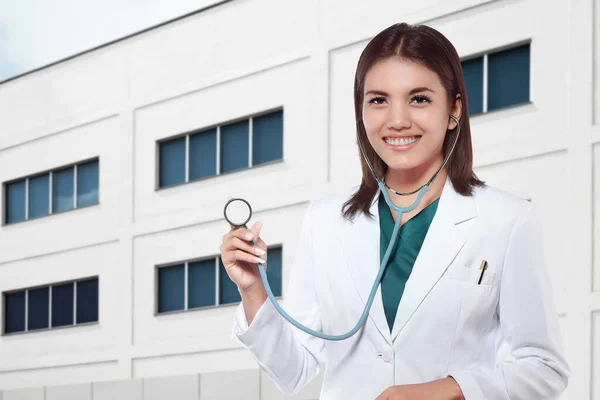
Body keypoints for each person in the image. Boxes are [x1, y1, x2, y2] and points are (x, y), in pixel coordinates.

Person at [220, 22, 569, 399]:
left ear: (453, 109)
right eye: (378, 100)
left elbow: (543, 368)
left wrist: (447, 390)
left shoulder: (507, 220)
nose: (397, 120)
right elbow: (294, 370)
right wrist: (253, 290)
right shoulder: (324, 221)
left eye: (419, 99)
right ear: (362, 111)